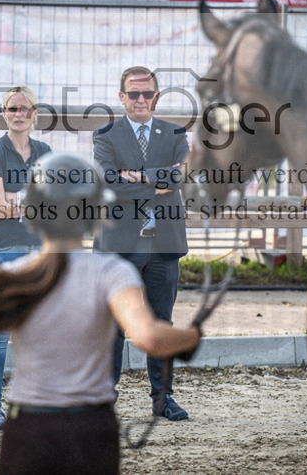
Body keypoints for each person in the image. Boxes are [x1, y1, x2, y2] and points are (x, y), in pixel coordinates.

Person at [0, 152, 201, 475]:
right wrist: (190, 338)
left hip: (27, 429)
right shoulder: (112, 272)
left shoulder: (15, 276)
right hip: (90, 429)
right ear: (96, 212)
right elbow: (149, 337)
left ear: (32, 212)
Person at [93, 65, 191, 421]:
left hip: (163, 244)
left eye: (147, 93)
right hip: (120, 245)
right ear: (121, 97)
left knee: (161, 323)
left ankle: (163, 399)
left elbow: (181, 175)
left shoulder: (175, 133)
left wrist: (137, 177)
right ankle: (103, 399)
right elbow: (108, 181)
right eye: (133, 93)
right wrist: (157, 181)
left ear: (156, 96)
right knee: (114, 326)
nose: (140, 99)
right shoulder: (105, 135)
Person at [0, 85, 51, 429]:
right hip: (2, 250)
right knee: (0, 333)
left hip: (39, 249)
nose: (18, 114)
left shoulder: (46, 151)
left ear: (35, 114)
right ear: (4, 114)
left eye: (24, 109)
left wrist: (17, 199)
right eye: (11, 109)